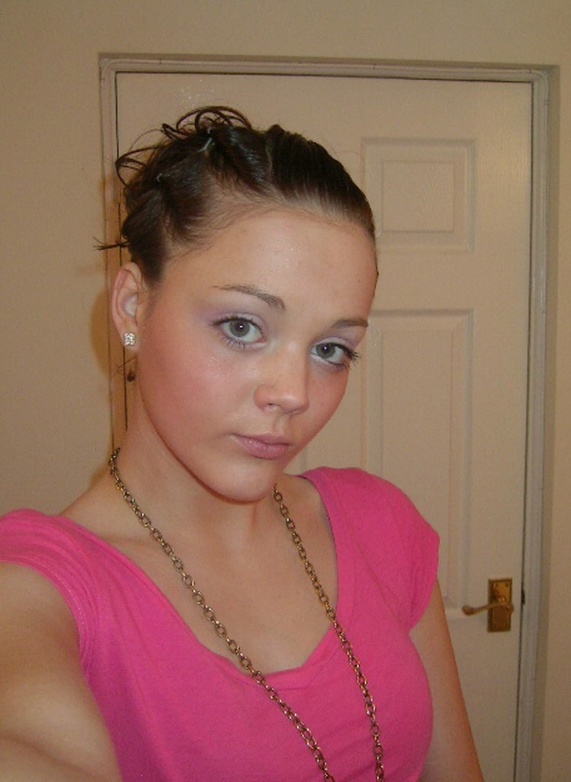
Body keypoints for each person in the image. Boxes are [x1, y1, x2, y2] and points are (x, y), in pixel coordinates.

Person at [0, 106, 483, 782]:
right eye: (241, 327)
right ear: (133, 306)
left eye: (331, 348)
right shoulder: (41, 587)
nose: (293, 393)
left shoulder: (379, 523)